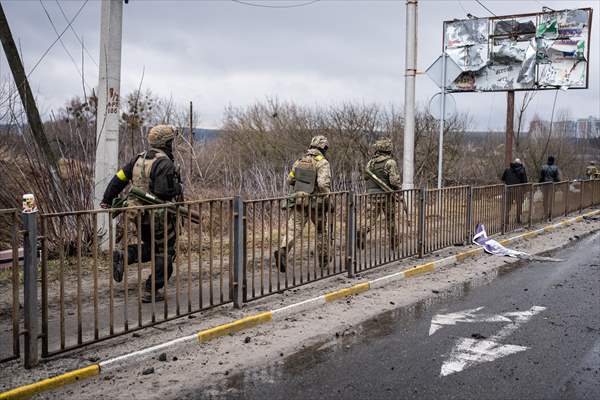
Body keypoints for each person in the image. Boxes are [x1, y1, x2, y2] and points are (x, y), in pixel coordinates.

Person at [100, 125, 182, 303]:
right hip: (159, 217)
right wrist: (178, 186)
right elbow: (164, 191)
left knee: (152, 247)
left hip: (138, 215)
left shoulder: (138, 158)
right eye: (170, 141)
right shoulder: (165, 163)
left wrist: (107, 198)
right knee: (165, 252)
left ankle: (126, 255)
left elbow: (119, 178)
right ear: (166, 143)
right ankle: (151, 290)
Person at [275, 135, 331, 273]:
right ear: (323, 148)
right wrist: (327, 196)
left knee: (294, 228)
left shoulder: (300, 161)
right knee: (320, 230)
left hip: (299, 200)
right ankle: (323, 259)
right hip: (316, 203)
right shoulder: (322, 162)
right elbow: (323, 184)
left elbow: (289, 180)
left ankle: (283, 250)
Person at [357, 137, 401, 249]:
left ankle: (361, 232)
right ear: (388, 149)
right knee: (390, 219)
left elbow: (366, 177)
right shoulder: (390, 162)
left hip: (372, 195)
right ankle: (394, 242)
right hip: (387, 195)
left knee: (369, 219)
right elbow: (394, 181)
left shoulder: (370, 163)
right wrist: (399, 190)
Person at [501, 158, 528, 224]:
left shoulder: (507, 170)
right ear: (520, 163)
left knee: (508, 205)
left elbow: (503, 178)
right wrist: (525, 190)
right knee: (519, 205)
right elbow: (525, 181)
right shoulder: (522, 170)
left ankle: (506, 220)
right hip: (518, 190)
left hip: (508, 189)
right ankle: (518, 220)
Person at [539, 155, 560, 220]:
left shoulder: (543, 167)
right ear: (553, 160)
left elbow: (541, 177)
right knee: (551, 199)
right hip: (552, 185)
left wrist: (540, 183)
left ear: (548, 160)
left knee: (545, 199)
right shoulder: (555, 168)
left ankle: (545, 212)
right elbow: (556, 178)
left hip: (545, 185)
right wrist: (558, 184)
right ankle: (550, 214)